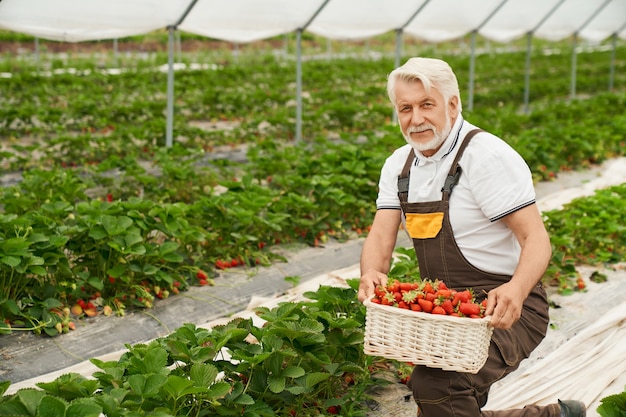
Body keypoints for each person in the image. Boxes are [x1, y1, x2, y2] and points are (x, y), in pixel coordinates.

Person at [357, 57, 586, 417]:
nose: (415, 118)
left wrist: (516, 290)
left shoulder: (486, 157)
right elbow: (381, 235)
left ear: (452, 104)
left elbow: (536, 239)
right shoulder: (399, 166)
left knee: (437, 385)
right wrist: (371, 273)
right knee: (440, 404)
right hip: (447, 312)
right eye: (405, 108)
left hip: (507, 308)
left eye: (426, 105)